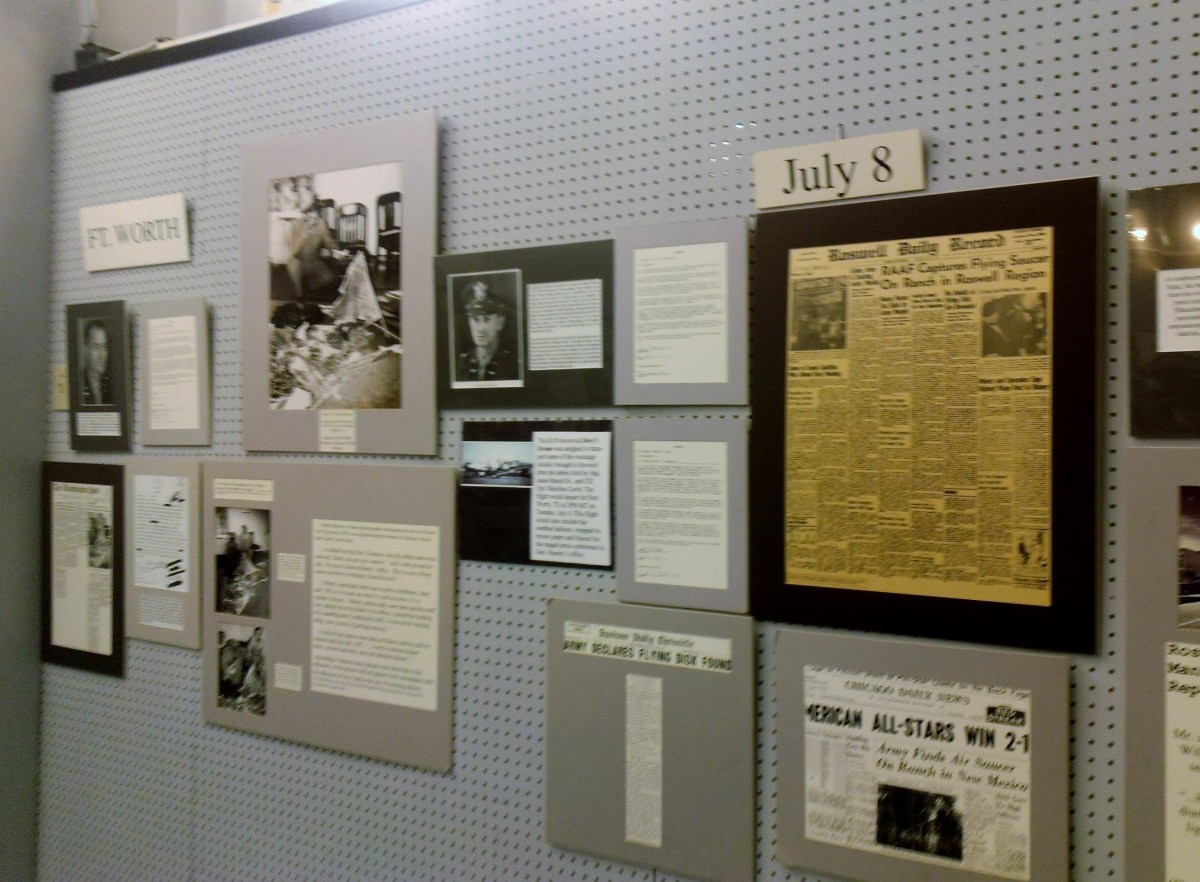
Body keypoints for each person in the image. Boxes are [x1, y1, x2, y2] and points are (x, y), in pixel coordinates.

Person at [456, 280, 517, 382]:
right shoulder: (461, 365)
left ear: (500, 322)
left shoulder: (513, 366)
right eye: (475, 319)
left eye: (487, 319)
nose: (481, 329)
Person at [287, 201, 342, 302]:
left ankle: (310, 284)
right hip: (300, 261)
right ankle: (299, 294)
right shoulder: (296, 224)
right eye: (309, 216)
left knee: (329, 278)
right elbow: (293, 251)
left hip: (314, 261)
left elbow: (329, 242)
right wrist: (304, 235)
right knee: (292, 265)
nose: (313, 220)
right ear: (304, 215)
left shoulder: (321, 224)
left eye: (315, 216)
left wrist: (338, 251)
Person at [79, 319, 112, 405]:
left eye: (104, 347)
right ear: (86, 349)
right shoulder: (78, 385)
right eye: (96, 347)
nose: (102, 355)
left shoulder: (110, 387)